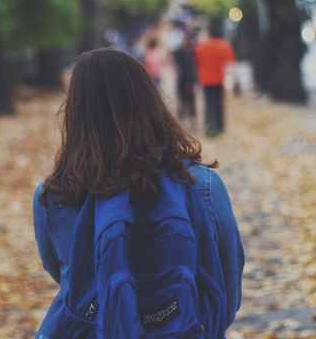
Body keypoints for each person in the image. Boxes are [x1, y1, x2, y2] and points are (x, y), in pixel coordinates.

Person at [33, 48, 244, 339]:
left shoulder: (54, 196)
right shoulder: (203, 185)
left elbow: (67, 278)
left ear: (75, 113)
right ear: (150, 102)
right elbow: (227, 295)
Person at [194, 22, 235, 136]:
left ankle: (208, 126)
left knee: (208, 104)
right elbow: (229, 64)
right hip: (219, 79)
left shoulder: (202, 46)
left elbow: (197, 62)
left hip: (206, 79)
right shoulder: (224, 45)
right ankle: (220, 126)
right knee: (219, 104)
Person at [173, 34, 198, 128]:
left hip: (187, 79)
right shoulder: (183, 53)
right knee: (183, 100)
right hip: (183, 79)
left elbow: (191, 68)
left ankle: (190, 121)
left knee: (189, 101)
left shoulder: (190, 53)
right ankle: (185, 120)